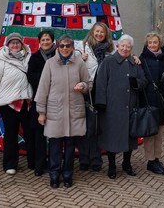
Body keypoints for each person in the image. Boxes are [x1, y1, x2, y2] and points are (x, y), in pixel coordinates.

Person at [35, 35, 91, 188]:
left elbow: (88, 83)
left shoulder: (79, 63)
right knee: (54, 147)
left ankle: (67, 174)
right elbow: (42, 89)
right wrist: (41, 111)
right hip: (55, 112)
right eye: (62, 46)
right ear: (57, 47)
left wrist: (83, 86)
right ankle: (54, 175)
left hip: (73, 111)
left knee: (70, 147)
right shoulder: (50, 64)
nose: (65, 48)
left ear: (72, 47)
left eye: (68, 45)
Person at [95, 34, 147, 179]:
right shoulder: (109, 61)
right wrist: (101, 103)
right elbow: (101, 83)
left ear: (131, 48)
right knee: (112, 137)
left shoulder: (134, 62)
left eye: (128, 47)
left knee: (129, 137)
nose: (125, 48)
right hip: (112, 107)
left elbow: (143, 80)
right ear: (118, 46)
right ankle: (112, 166)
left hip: (130, 107)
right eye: (122, 46)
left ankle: (127, 163)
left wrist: (137, 83)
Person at [0, 32, 34, 175]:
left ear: (22, 44)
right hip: (9, 103)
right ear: (7, 45)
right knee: (11, 133)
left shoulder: (28, 59)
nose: (15, 45)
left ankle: (33, 161)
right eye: (12, 43)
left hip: (26, 102)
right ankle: (10, 164)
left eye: (17, 43)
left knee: (30, 132)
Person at [76, 22, 114, 172]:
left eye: (102, 32)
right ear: (92, 32)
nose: (99, 34)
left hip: (103, 92)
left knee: (97, 127)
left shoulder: (110, 51)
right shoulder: (83, 47)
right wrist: (80, 59)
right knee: (86, 126)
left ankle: (96, 159)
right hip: (87, 91)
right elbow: (71, 65)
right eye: (97, 31)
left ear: (106, 35)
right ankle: (84, 158)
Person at [139, 31, 164, 175]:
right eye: (150, 43)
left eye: (155, 42)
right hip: (148, 100)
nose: (152, 45)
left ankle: (157, 158)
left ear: (160, 44)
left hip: (162, 100)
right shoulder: (142, 59)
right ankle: (150, 160)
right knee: (150, 132)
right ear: (147, 44)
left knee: (159, 132)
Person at [27, 29, 57, 177]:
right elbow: (31, 77)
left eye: (48, 39)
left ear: (53, 41)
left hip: (56, 102)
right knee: (39, 136)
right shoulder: (35, 57)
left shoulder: (59, 55)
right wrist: (47, 78)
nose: (45, 42)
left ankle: (53, 164)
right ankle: (39, 165)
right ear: (39, 42)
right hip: (39, 100)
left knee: (54, 136)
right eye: (43, 40)